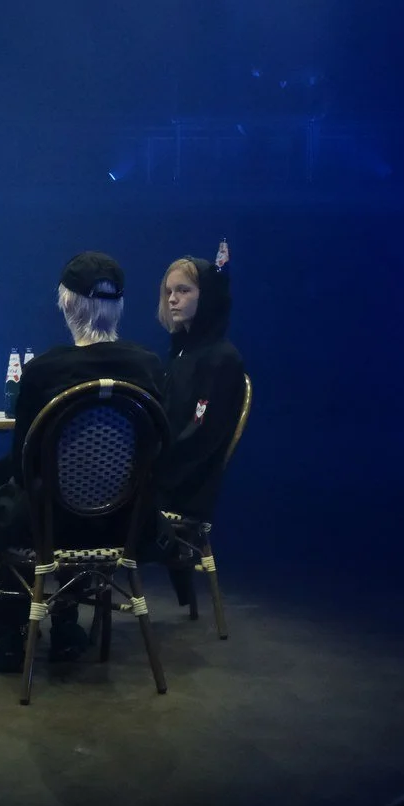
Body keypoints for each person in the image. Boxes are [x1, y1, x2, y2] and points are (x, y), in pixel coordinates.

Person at [0, 252, 166, 666]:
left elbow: (26, 466)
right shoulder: (148, 367)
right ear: (119, 305)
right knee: (43, 500)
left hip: (48, 527)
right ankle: (67, 627)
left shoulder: (44, 371)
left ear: (67, 304)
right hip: (124, 524)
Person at [152, 241, 248, 605]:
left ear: (206, 296)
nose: (173, 299)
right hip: (167, 466)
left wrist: (151, 465)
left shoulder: (221, 359)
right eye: (169, 291)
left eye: (183, 290)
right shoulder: (180, 352)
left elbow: (201, 433)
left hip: (187, 481)